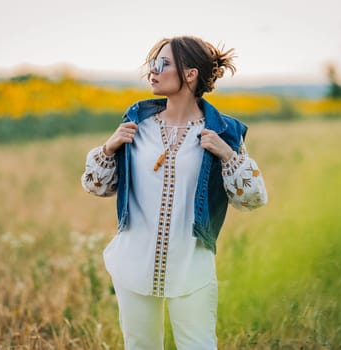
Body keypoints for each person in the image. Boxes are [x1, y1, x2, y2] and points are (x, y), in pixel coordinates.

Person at [81, 35, 268, 350]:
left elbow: (253, 199)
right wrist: (109, 147)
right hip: (133, 262)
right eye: (153, 64)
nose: (152, 71)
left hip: (191, 265)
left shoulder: (223, 133)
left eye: (163, 64)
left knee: (198, 345)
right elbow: (94, 185)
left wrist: (227, 154)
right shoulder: (135, 125)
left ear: (191, 74)